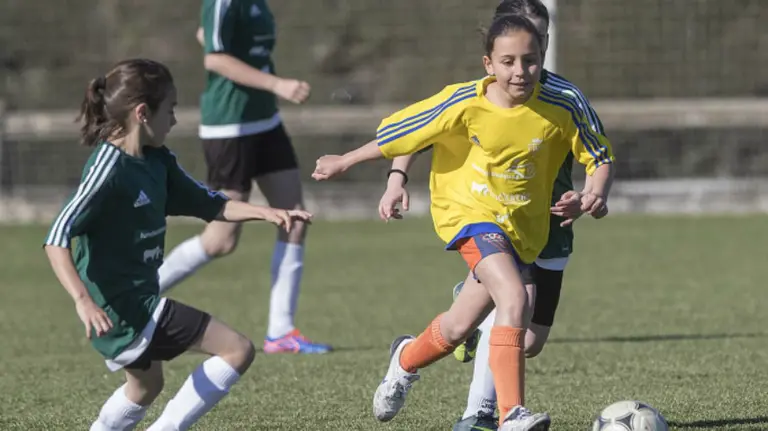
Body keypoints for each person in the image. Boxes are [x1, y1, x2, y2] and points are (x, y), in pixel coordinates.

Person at [312, 12, 614, 431]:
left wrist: (593, 194)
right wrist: (346, 160)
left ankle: (404, 361)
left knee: (458, 328)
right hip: (468, 216)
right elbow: (404, 131)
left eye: (530, 60)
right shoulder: (463, 101)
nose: (520, 71)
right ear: (488, 64)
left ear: (542, 56)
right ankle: (510, 415)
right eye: (508, 62)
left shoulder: (560, 103)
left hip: (524, 229)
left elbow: (598, 156)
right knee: (516, 297)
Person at [43, 58, 312, 431]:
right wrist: (82, 300)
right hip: (123, 309)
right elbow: (57, 237)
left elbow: (212, 203)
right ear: (142, 113)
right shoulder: (109, 167)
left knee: (145, 387)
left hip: (135, 301)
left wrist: (267, 213)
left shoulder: (156, 161)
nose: (175, 118)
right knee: (237, 349)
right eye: (170, 108)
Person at [157, 0, 331, 354]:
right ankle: (135, 294)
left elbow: (209, 35)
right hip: (230, 127)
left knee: (294, 218)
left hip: (265, 123)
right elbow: (215, 58)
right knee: (221, 239)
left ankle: (281, 332)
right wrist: (276, 84)